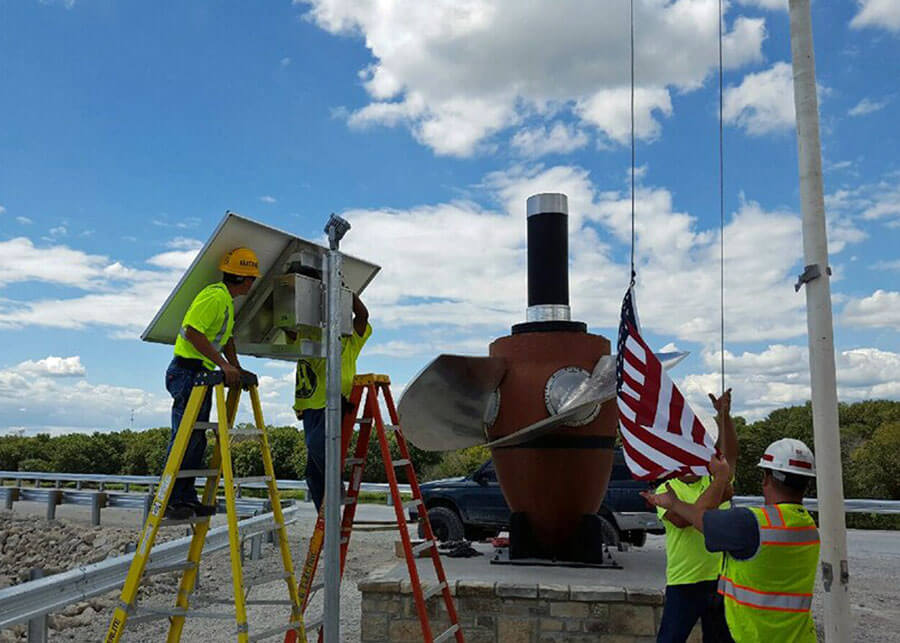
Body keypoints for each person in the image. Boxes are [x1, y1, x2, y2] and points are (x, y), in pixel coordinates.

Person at [643, 439, 820, 643]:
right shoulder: (808, 528)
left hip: (756, 637)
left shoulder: (750, 523)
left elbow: (699, 515)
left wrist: (718, 478)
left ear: (766, 478)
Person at [163, 247, 259, 520]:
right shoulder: (214, 296)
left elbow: (226, 339)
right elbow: (193, 332)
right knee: (184, 438)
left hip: (198, 374)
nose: (253, 283)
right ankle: (170, 499)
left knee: (196, 440)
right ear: (244, 279)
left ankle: (186, 498)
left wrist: (234, 367)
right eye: (252, 278)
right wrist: (223, 365)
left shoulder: (226, 301)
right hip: (186, 372)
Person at [655, 389, 738, 643]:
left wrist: (724, 416)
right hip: (685, 582)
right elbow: (682, 520)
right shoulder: (666, 489)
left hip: (720, 579)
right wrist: (718, 493)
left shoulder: (714, 480)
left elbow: (730, 455)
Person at [289, 272, 371, 512]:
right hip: (310, 407)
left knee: (316, 445)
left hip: (336, 402)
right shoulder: (309, 334)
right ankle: (325, 517)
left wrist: (345, 292)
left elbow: (363, 316)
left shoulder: (350, 340)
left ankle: (336, 485)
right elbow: (287, 327)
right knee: (312, 474)